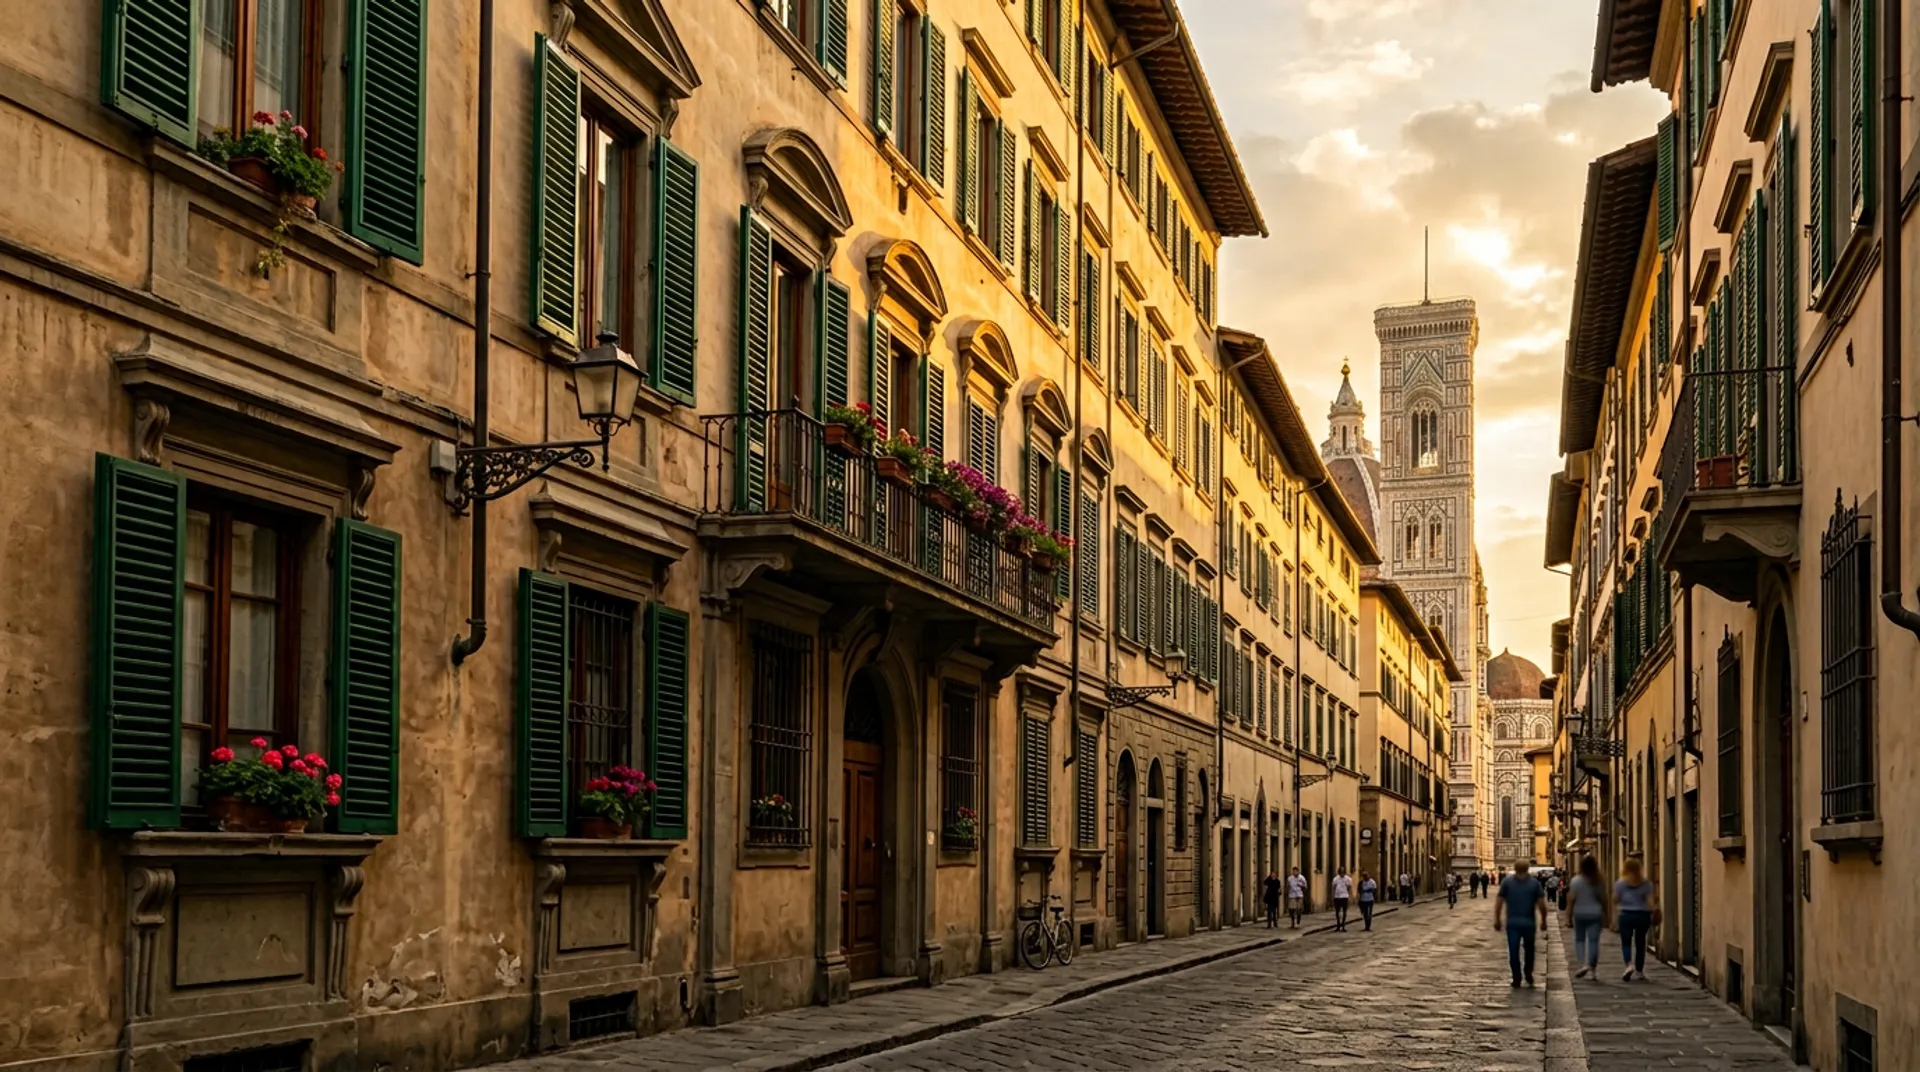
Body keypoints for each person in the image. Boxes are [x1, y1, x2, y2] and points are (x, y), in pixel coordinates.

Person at [1493, 861, 1548, 988]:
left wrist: (1497, 919)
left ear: (1515, 868)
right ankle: (1528, 972)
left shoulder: (1507, 882)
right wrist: (1544, 920)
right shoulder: (1535, 883)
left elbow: (1499, 902)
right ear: (1528, 868)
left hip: (1512, 923)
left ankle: (1516, 977)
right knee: (1529, 950)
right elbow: (1541, 904)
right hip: (1529, 923)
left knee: (1513, 950)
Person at [1563, 854, 1610, 979]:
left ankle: (1583, 964)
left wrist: (1568, 917)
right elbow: (1603, 899)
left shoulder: (1576, 881)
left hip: (1579, 914)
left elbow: (1571, 900)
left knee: (1580, 940)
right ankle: (1592, 969)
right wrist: (1607, 916)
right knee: (1594, 941)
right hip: (1596, 914)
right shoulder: (1599, 880)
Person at [1615, 856, 1657, 981]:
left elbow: (1616, 900)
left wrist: (1613, 916)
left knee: (1626, 942)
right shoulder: (1646, 884)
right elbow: (1650, 901)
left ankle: (1629, 965)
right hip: (1642, 916)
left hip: (1626, 915)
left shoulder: (1620, 883)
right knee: (1640, 942)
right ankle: (1639, 971)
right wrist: (1654, 909)